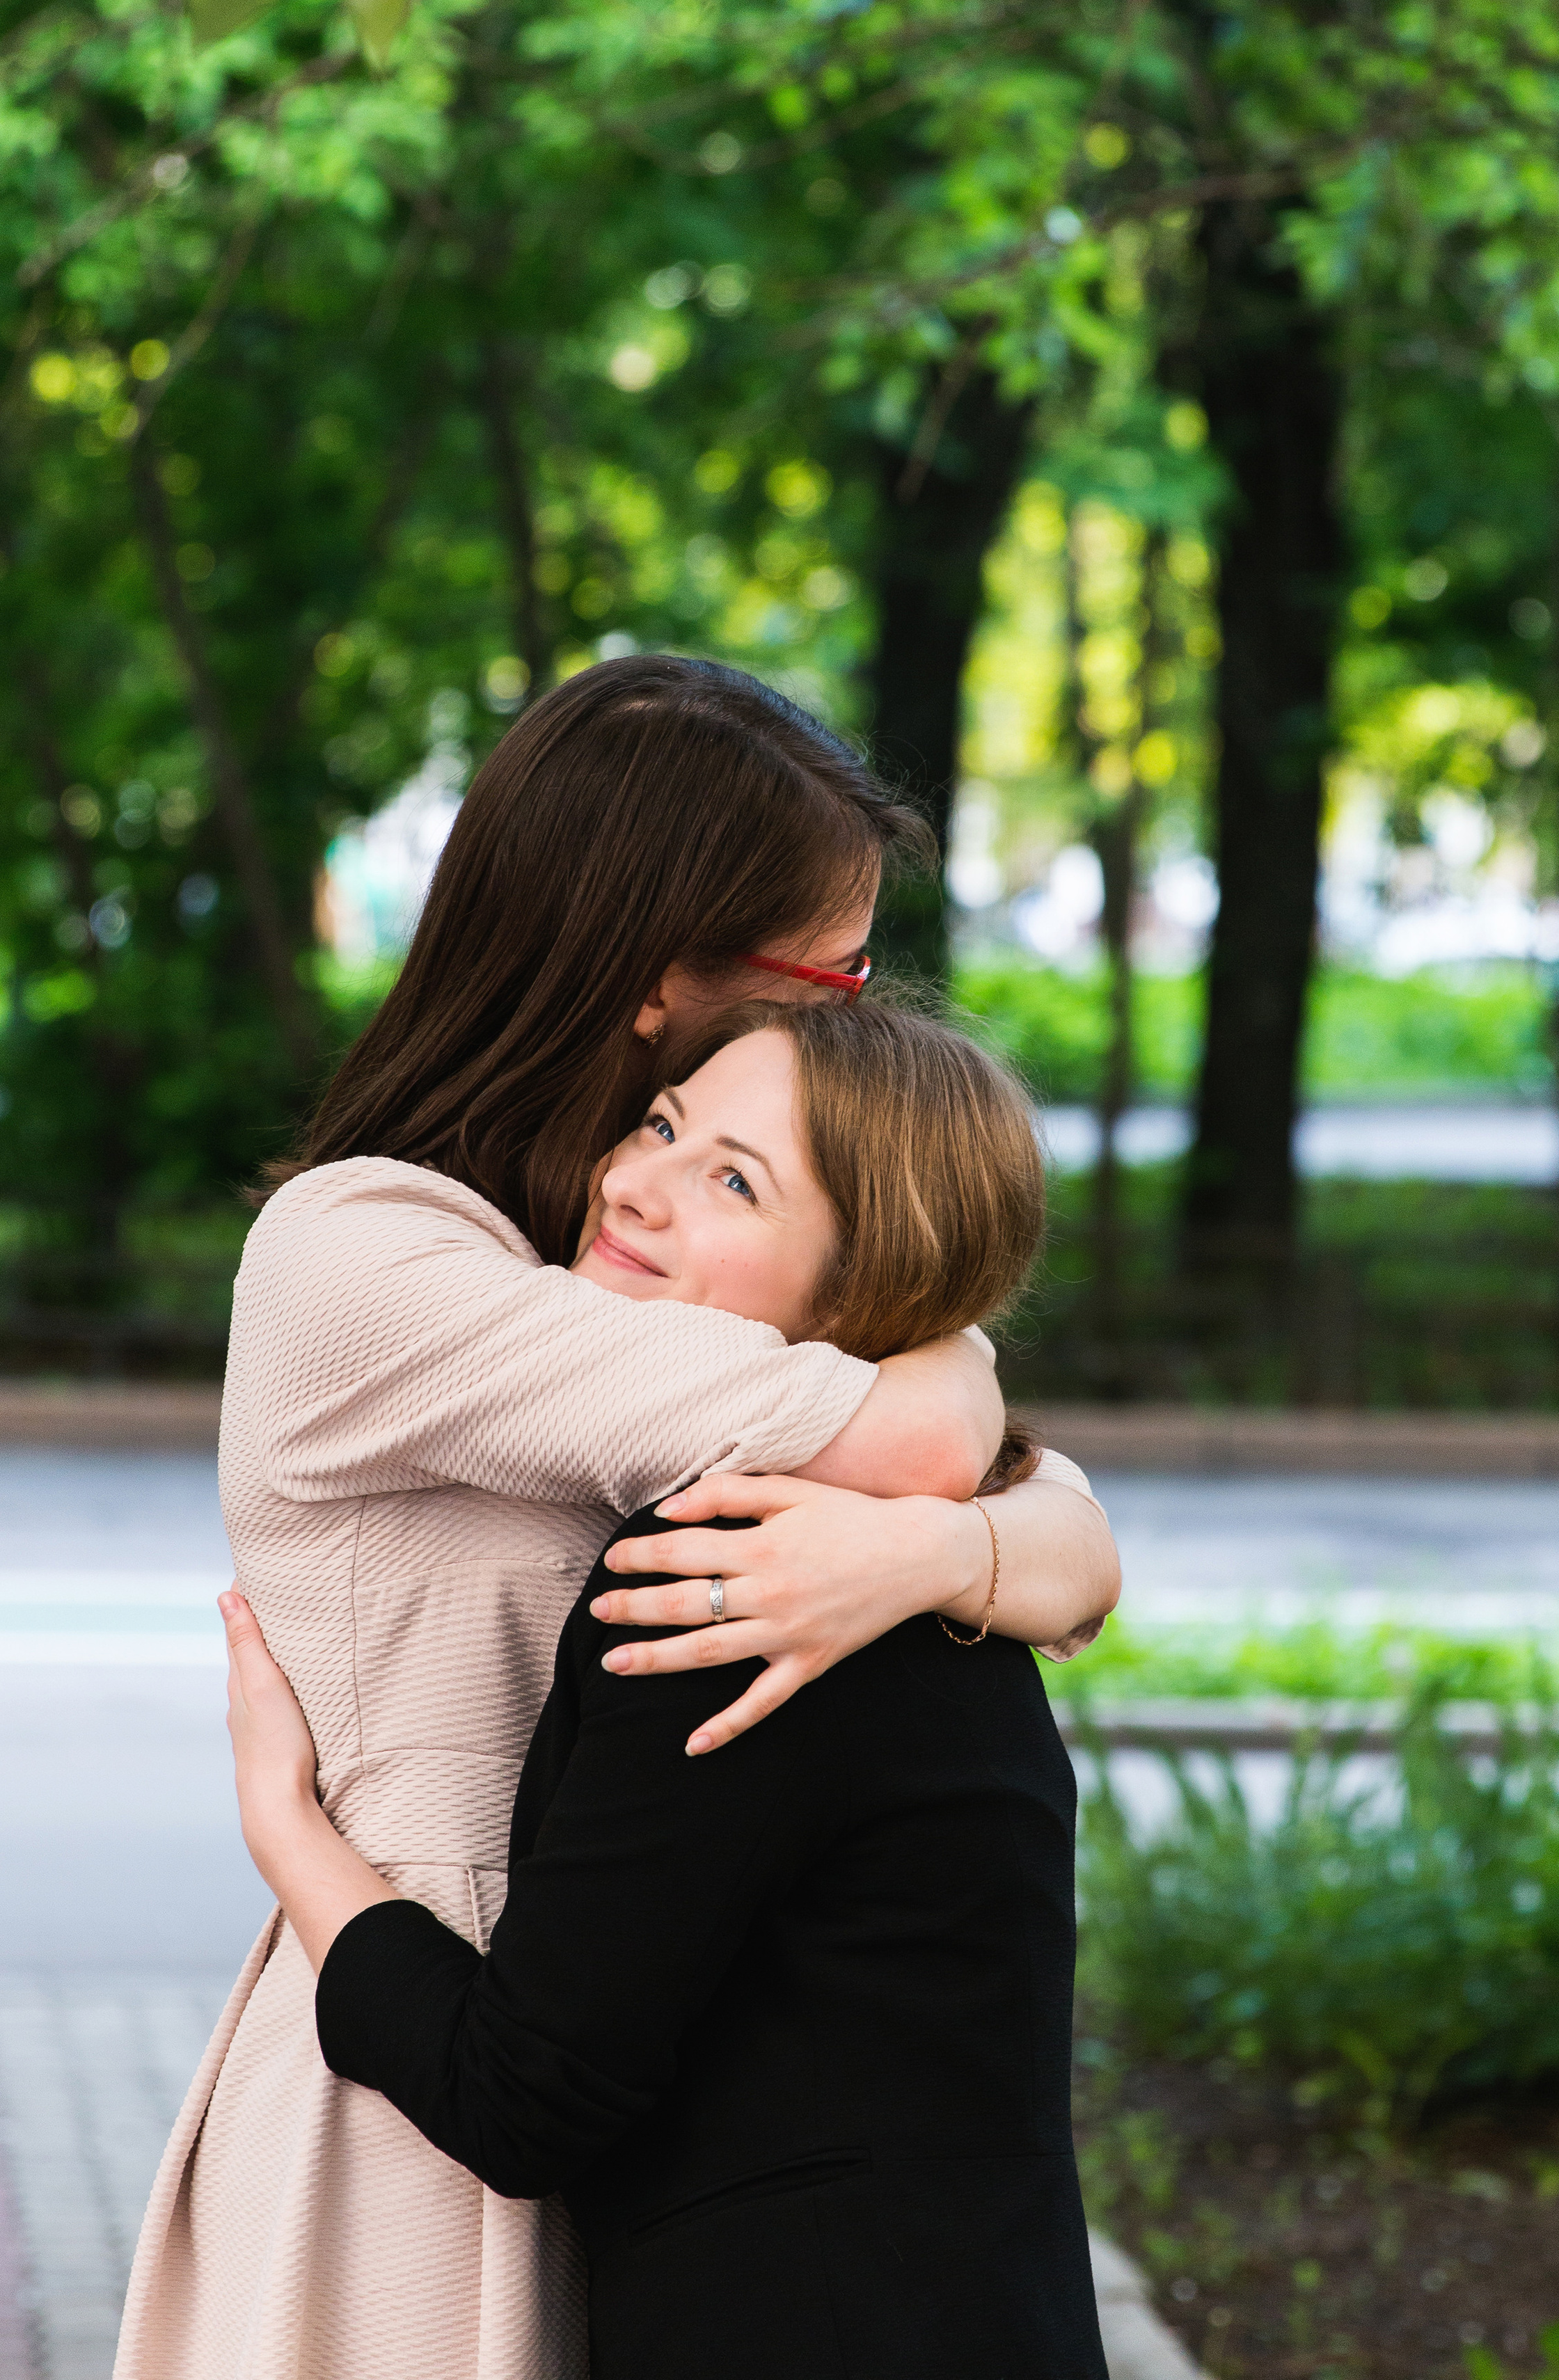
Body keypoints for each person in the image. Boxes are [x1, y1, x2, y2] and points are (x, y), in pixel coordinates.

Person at [114, 658, 1119, 2380]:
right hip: (416, 2093)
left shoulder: (619, 1275)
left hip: (633, 2060)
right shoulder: (365, 1256)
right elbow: (926, 1427)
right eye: (834, 967)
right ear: (668, 981)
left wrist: (935, 1553)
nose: (852, 1009)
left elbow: (1072, 1548)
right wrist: (940, 1382)